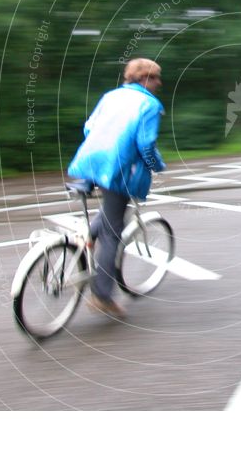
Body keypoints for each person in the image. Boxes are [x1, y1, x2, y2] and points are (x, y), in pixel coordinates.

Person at [67, 58, 166, 317]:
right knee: (113, 234)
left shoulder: (111, 96)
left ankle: (86, 236)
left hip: (91, 161)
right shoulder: (150, 104)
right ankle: (102, 296)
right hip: (118, 168)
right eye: (156, 78)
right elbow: (145, 145)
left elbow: (89, 127)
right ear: (145, 78)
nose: (159, 83)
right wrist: (157, 164)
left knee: (109, 214)